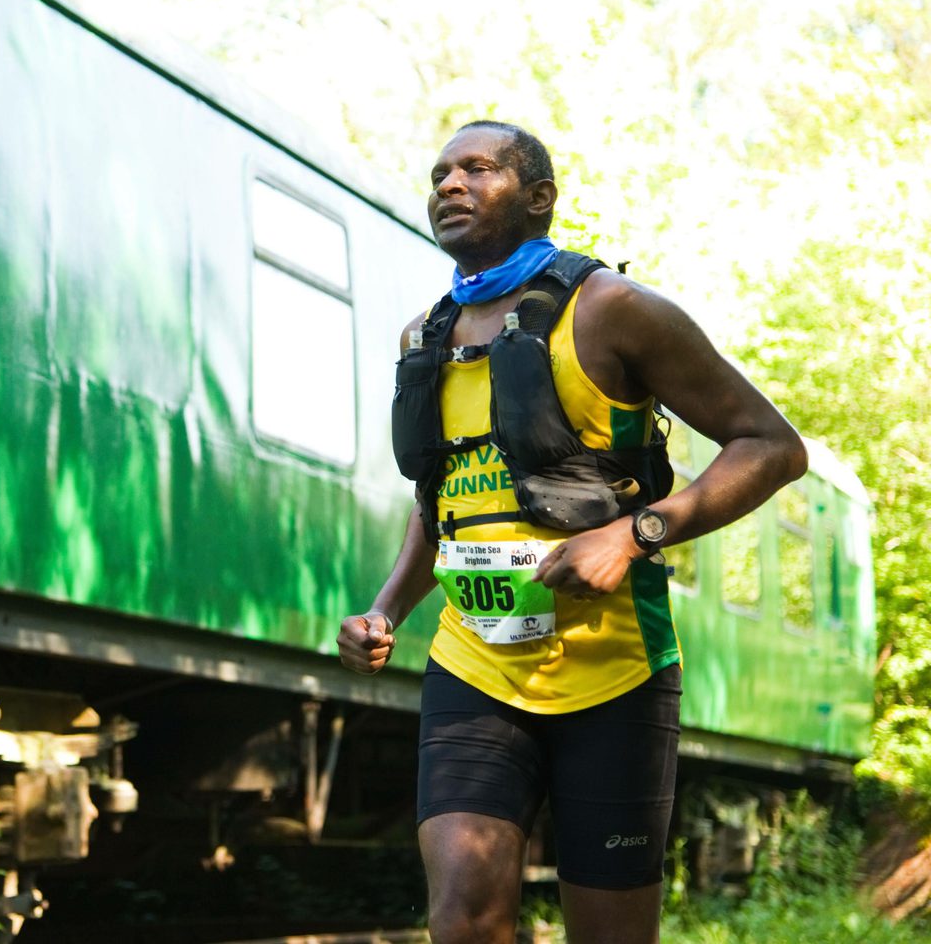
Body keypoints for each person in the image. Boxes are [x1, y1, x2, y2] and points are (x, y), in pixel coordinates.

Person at [337, 121, 807, 944]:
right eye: (441, 172)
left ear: (539, 197)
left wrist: (635, 534)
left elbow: (772, 446)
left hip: (615, 671)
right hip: (473, 663)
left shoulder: (614, 311)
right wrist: (386, 609)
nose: (449, 184)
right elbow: (439, 505)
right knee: (462, 918)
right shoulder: (424, 338)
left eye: (477, 169)